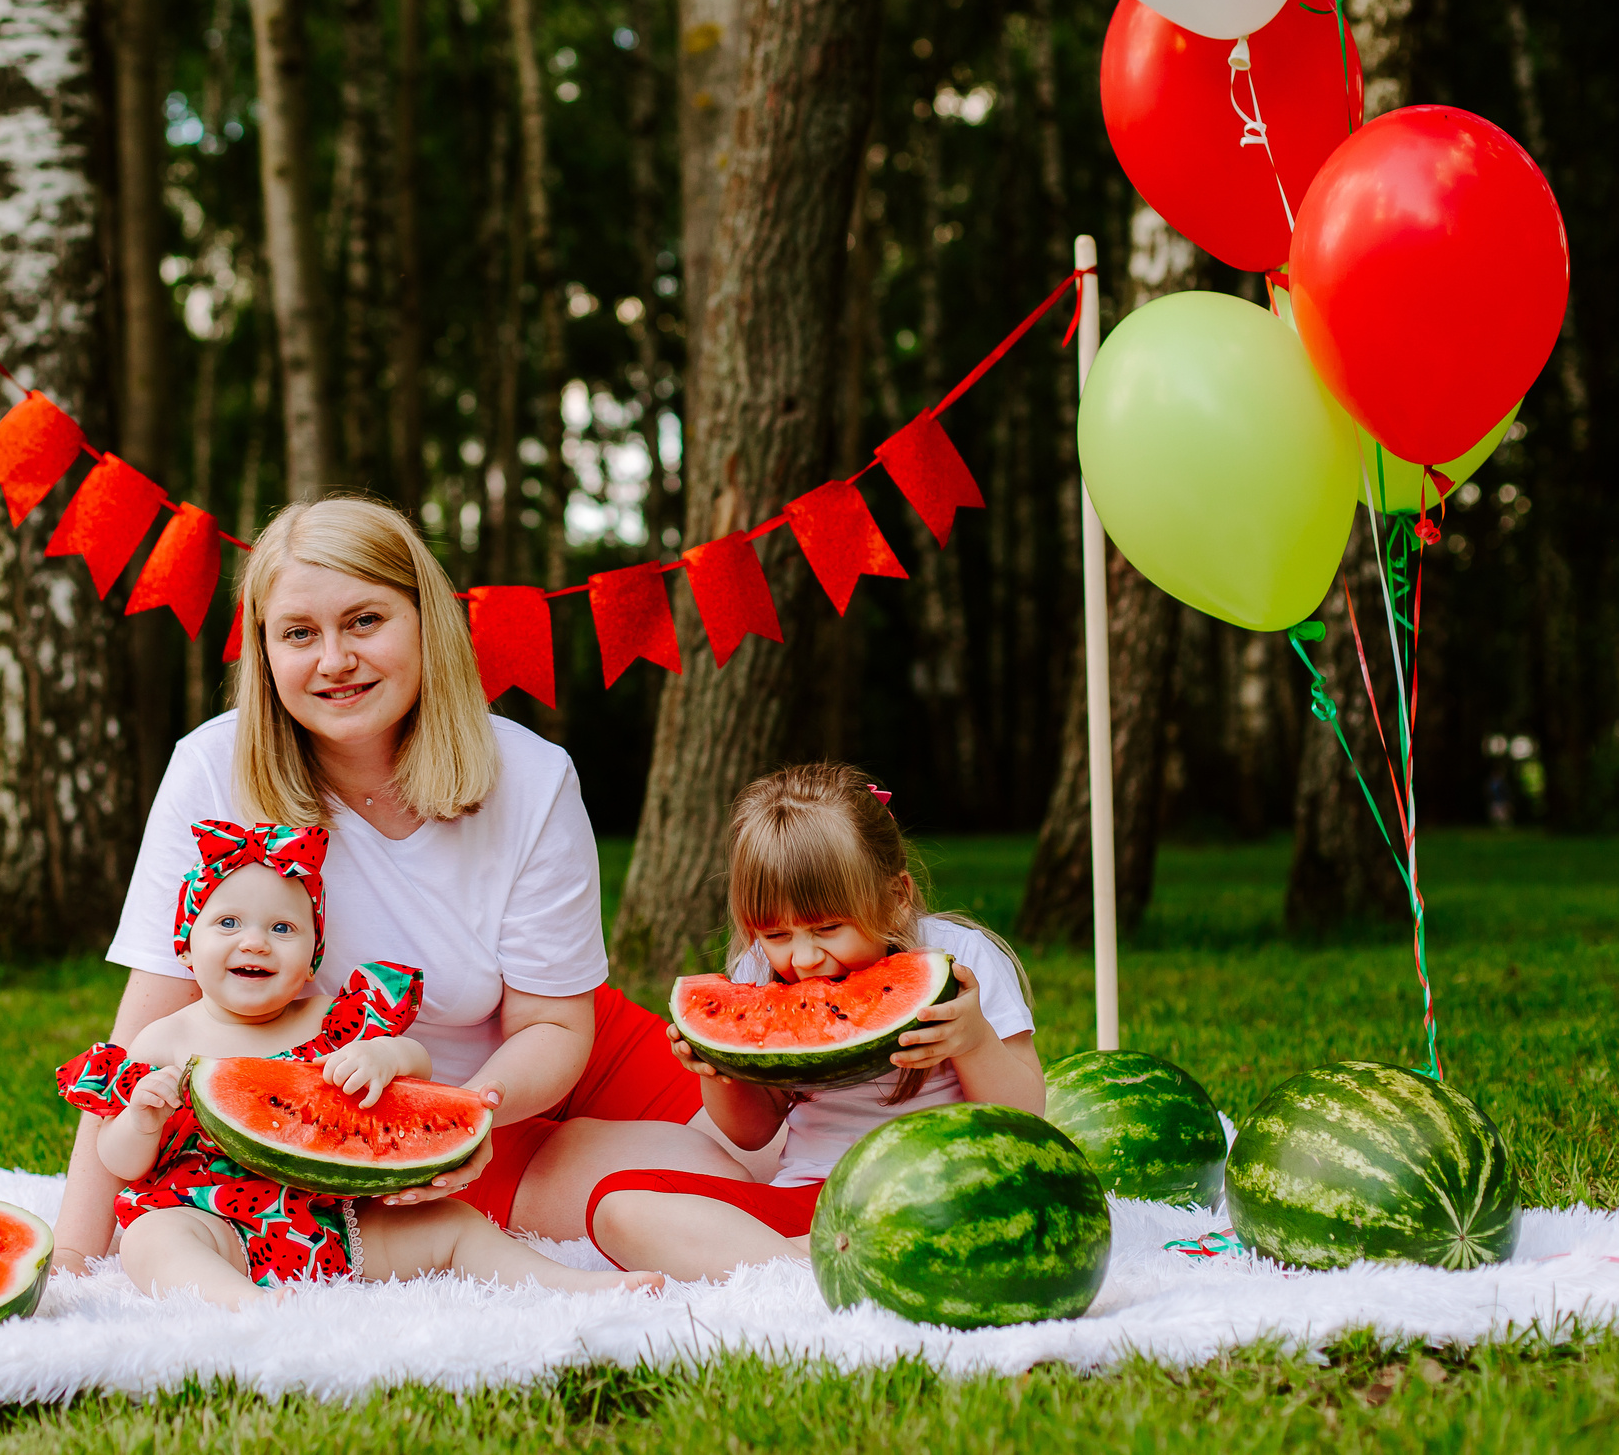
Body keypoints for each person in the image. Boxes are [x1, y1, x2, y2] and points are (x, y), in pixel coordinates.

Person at [52, 496, 744, 1275]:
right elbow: (142, 1033)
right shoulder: (210, 769)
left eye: (365, 621)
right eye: (298, 633)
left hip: (524, 1068)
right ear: (263, 649)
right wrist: (74, 1254)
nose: (334, 660)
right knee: (674, 1203)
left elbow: (554, 1024)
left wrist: (465, 1115)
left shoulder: (533, 776)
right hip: (400, 1141)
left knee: (779, 1161)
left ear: (426, 622)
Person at [58, 819, 660, 1303]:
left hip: (338, 1218)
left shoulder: (331, 1020)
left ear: (312, 954)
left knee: (455, 1226)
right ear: (187, 945)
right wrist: (140, 1120)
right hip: (212, 1220)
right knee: (151, 1241)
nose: (254, 941)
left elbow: (417, 1066)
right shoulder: (162, 1041)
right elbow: (121, 1161)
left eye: (282, 927)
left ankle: (572, 1287)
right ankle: (246, 1308)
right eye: (228, 923)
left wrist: (384, 1055)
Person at [584, 764, 1043, 1281]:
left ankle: (801, 1268)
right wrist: (719, 1069)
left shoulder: (962, 957)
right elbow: (751, 1134)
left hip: (950, 1194)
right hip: (819, 1201)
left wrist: (975, 1041)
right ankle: (814, 1267)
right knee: (615, 1205)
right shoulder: (758, 973)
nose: (802, 958)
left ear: (896, 897)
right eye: (776, 934)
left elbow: (1027, 1116)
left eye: (827, 927)